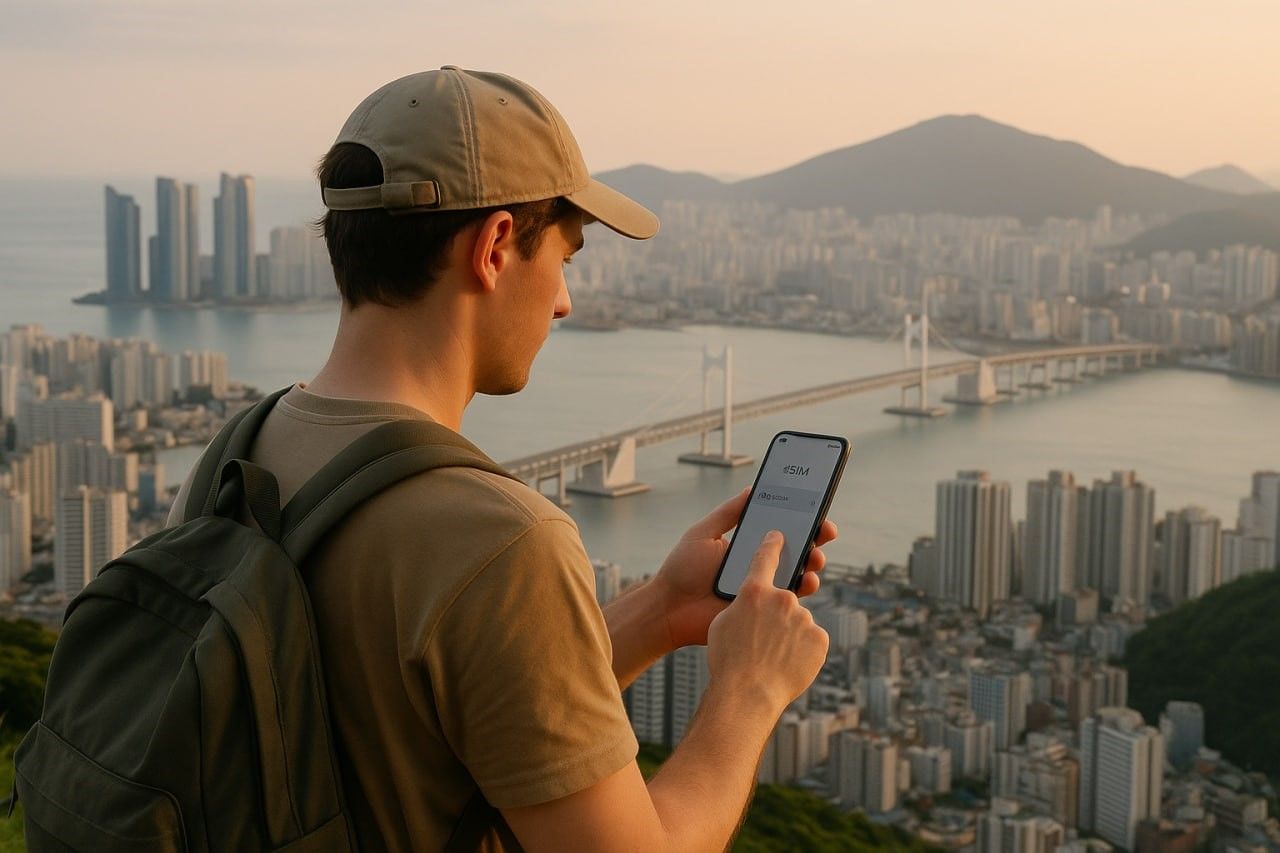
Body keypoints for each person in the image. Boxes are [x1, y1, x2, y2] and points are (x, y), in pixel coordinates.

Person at [168, 66, 835, 851]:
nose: (564, 301)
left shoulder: (236, 453)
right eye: (567, 257)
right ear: (493, 249)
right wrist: (749, 691)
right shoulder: (502, 540)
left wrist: (661, 607)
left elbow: (431, 707)